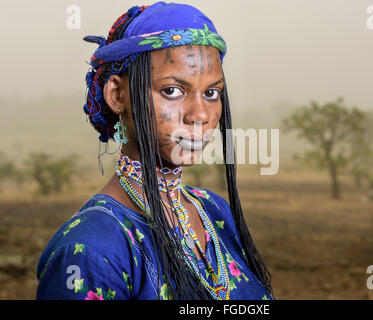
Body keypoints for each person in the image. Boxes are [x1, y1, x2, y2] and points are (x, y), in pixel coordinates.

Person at [36, 2, 274, 300]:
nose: (200, 114)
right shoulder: (91, 249)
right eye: (172, 90)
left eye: (211, 93)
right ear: (117, 95)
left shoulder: (213, 210)